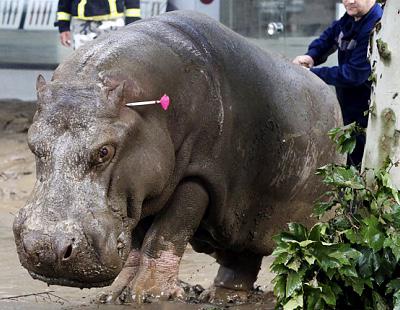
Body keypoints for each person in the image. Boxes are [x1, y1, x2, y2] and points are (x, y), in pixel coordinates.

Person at [293, 0, 383, 166]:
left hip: (369, 113)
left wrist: (310, 74)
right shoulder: (350, 18)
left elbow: (354, 74)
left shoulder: (376, 25)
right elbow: (329, 37)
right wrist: (311, 56)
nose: (349, 1)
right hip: (348, 107)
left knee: (363, 164)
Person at [55, 0, 141, 50]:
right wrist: (63, 27)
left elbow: (132, 2)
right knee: (81, 65)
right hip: (82, 26)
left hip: (113, 24)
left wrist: (132, 26)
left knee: (114, 64)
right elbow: (64, 2)